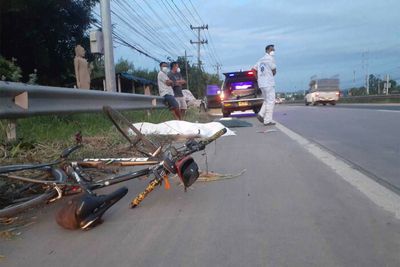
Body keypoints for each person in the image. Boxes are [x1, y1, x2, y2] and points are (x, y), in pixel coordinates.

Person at [252, 44, 277, 126]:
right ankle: (267, 120)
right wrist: (269, 75)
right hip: (268, 83)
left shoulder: (260, 60)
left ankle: (261, 114)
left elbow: (253, 70)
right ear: (267, 50)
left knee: (266, 100)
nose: (273, 51)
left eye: (273, 50)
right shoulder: (270, 59)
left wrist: (258, 78)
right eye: (271, 50)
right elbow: (274, 71)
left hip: (261, 84)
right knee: (271, 101)